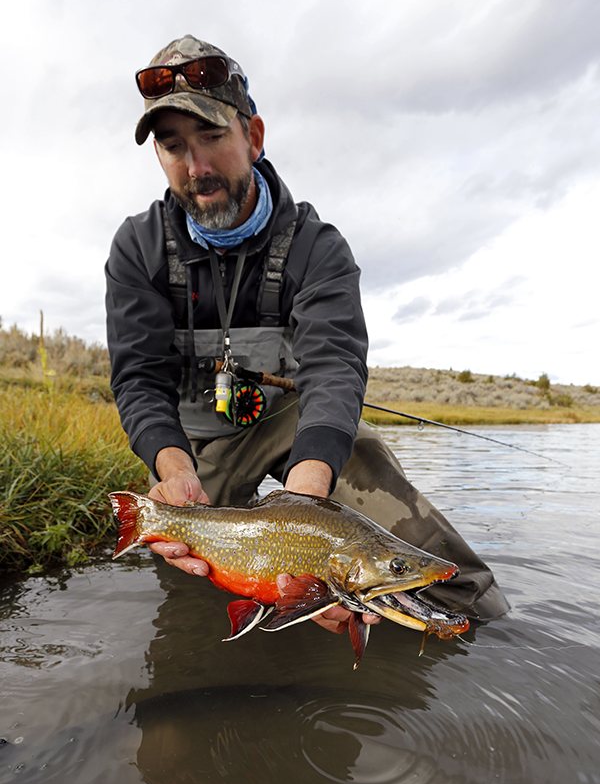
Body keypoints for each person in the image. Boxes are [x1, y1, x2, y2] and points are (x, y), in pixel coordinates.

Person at [106, 34, 508, 634]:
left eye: (212, 137)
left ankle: (484, 629)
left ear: (254, 136)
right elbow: (138, 378)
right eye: (173, 146)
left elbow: (334, 368)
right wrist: (170, 466)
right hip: (195, 451)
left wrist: (306, 517)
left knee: (372, 468)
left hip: (294, 431)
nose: (196, 167)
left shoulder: (318, 248)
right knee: (186, 586)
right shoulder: (136, 249)